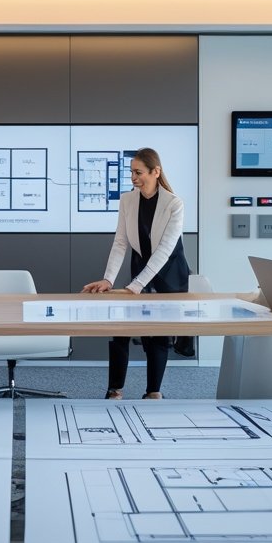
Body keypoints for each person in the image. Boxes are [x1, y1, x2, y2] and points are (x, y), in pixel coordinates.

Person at [82, 148, 190, 400]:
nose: (133, 177)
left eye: (139, 172)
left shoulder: (174, 204)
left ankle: (153, 391)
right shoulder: (127, 200)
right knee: (121, 327)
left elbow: (164, 250)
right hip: (141, 266)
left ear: (156, 172)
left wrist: (137, 285)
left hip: (170, 272)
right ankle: (114, 389)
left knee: (157, 334)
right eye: (131, 172)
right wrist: (109, 279)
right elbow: (120, 242)